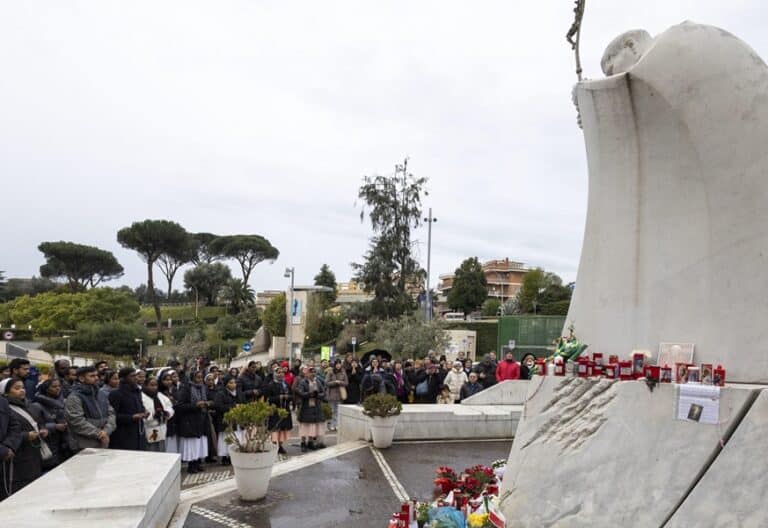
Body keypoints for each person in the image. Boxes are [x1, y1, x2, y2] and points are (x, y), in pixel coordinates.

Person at [2, 378, 46, 494]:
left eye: (22, 387)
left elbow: (39, 422)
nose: (22, 390)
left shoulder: (29, 405)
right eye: (17, 388)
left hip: (33, 454)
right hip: (17, 456)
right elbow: (6, 432)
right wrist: (25, 436)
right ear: (5, 392)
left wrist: (43, 429)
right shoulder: (6, 409)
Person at [65, 366, 115, 451]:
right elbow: (76, 421)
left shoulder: (101, 394)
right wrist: (98, 433)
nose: (96, 378)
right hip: (84, 444)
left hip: (103, 440)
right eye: (92, 376)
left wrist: (106, 431)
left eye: (96, 375)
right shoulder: (75, 397)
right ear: (81, 378)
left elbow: (111, 413)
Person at [175, 370, 211, 474]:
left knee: (199, 444)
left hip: (202, 419)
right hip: (190, 421)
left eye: (201, 377)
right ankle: (191, 465)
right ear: (192, 378)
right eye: (197, 377)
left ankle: (198, 463)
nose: (199, 380)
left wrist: (207, 403)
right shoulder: (186, 388)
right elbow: (179, 406)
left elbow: (209, 399)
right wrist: (195, 405)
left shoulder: (204, 388)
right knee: (192, 444)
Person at [31, 379, 69, 469]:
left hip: (63, 442)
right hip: (49, 443)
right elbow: (36, 424)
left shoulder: (62, 402)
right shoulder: (37, 405)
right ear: (46, 389)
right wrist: (54, 426)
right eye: (54, 386)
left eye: (59, 386)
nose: (58, 388)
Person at [108, 368, 148, 451]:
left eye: (136, 375)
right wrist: (131, 417)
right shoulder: (116, 394)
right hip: (123, 436)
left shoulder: (137, 391)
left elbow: (140, 407)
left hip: (138, 434)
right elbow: (112, 416)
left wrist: (144, 411)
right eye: (132, 376)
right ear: (123, 378)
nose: (136, 378)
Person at [262, 370, 293, 455]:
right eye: (278, 372)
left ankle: (280, 446)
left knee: (283, 428)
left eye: (282, 372)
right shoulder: (270, 385)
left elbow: (292, 395)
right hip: (275, 410)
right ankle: (274, 445)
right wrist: (279, 397)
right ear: (275, 374)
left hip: (285, 409)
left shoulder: (286, 384)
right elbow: (268, 399)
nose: (280, 374)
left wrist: (288, 397)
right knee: (275, 429)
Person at [0, 386, 22, 501]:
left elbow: (15, 425)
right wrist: (2, 450)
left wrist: (9, 446)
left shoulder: (2, 401)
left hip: (4, 462)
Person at [296, 367, 325, 452]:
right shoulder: (303, 382)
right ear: (307, 373)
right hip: (306, 406)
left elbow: (323, 393)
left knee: (313, 425)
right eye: (311, 372)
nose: (313, 374)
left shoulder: (318, 381)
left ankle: (311, 442)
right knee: (305, 425)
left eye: (314, 372)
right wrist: (310, 394)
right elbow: (300, 392)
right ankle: (303, 443)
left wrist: (317, 395)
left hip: (316, 406)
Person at [142, 377, 173, 453]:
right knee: (151, 451)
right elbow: (142, 412)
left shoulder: (160, 395)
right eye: (151, 385)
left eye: (156, 385)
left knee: (161, 450)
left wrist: (167, 413)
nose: (154, 387)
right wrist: (153, 414)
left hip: (161, 427)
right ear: (145, 386)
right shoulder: (141, 396)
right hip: (148, 428)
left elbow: (169, 406)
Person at [213, 376, 239, 464]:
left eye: (234, 382)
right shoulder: (221, 394)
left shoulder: (237, 393)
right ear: (226, 384)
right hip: (225, 420)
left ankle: (233, 455)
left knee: (234, 437)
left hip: (235, 419)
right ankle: (225, 457)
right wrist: (233, 407)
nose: (233, 385)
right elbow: (218, 406)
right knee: (225, 438)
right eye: (231, 383)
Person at [157, 369, 180, 454]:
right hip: (164, 422)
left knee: (172, 444)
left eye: (170, 379)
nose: (169, 382)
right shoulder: (158, 392)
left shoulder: (173, 390)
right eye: (166, 380)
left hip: (174, 422)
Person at [325, 360, 348, 432]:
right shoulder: (330, 372)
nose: (338, 365)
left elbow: (346, 383)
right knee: (332, 410)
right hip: (331, 394)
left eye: (339, 364)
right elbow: (326, 382)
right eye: (337, 364)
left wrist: (340, 382)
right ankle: (332, 425)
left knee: (338, 410)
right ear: (334, 365)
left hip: (340, 394)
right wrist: (334, 382)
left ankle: (337, 425)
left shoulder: (343, 372)